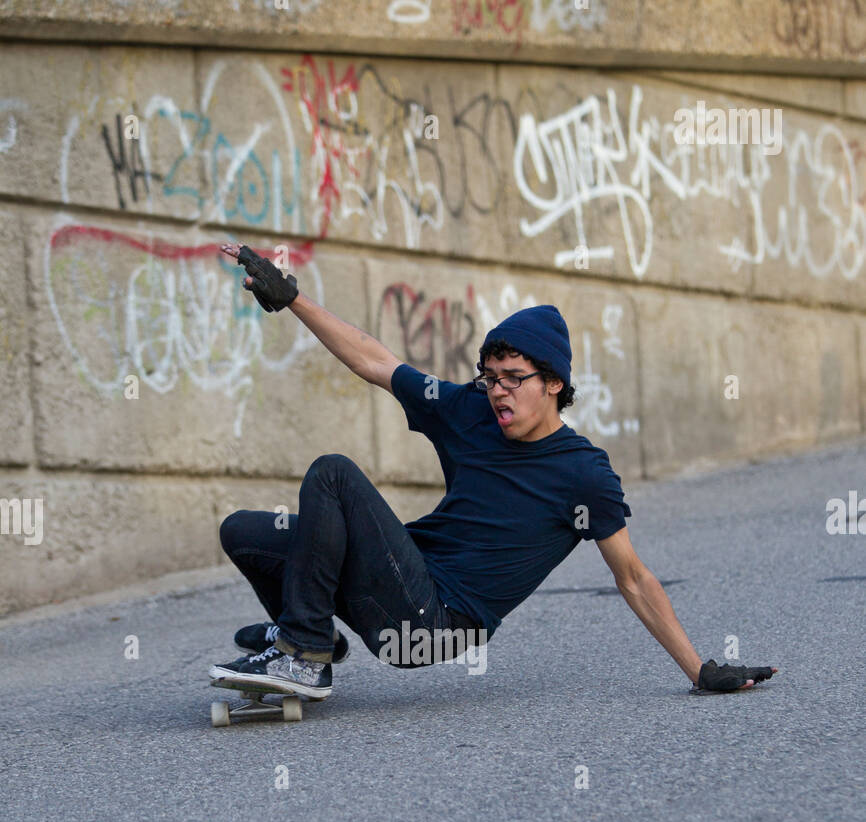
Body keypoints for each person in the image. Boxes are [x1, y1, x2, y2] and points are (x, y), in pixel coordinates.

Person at [211, 243, 777, 699]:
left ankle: (302, 651)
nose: (497, 392)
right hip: (397, 590)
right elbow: (375, 361)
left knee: (333, 474)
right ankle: (311, 640)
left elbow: (632, 577)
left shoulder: (583, 475)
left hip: (433, 625)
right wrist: (293, 299)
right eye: (489, 376)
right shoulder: (469, 410)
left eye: (512, 377)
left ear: (553, 383)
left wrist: (698, 670)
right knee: (243, 531)